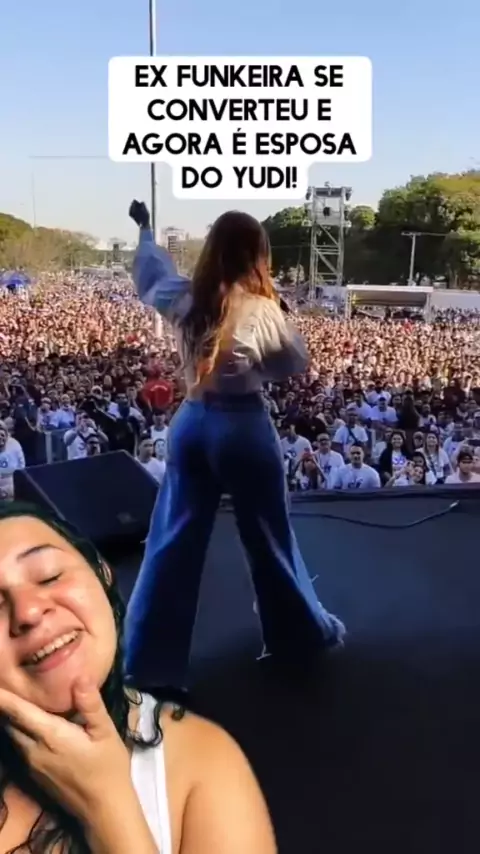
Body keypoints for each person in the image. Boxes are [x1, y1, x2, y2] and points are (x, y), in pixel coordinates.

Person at [124, 200, 344, 691]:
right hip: (241, 425)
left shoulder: (184, 296)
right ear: (256, 254)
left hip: (190, 422)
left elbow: (151, 275)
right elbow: (291, 363)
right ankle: (295, 638)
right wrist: (276, 316)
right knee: (267, 535)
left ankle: (148, 662)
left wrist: (145, 229)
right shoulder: (261, 309)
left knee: (171, 541)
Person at [0, 502, 276, 853]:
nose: (28, 611)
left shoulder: (202, 762)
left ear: (102, 573)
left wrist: (105, 806)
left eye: (49, 575)